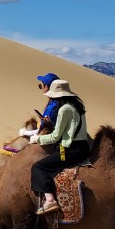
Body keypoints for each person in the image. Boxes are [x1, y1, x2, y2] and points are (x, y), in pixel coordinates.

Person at [31, 80, 92, 215]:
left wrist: (38, 138)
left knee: (38, 167)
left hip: (71, 150)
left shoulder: (64, 109)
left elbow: (55, 137)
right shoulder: (77, 107)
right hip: (82, 147)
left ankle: (50, 200)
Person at [18, 72, 60, 139]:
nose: (41, 88)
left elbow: (46, 130)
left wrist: (25, 133)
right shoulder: (58, 102)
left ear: (46, 87)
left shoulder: (52, 107)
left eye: (41, 86)